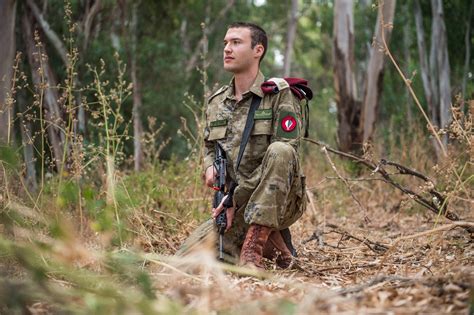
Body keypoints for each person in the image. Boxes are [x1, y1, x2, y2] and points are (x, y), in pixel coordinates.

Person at [177, 22, 310, 269]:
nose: (227, 49)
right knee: (182, 262)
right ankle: (273, 244)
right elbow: (208, 147)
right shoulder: (217, 102)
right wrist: (209, 167)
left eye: (236, 42)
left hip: (278, 199)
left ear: (258, 50)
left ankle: (254, 247)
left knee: (281, 150)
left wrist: (235, 199)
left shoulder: (279, 95)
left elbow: (287, 153)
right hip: (232, 203)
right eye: (226, 43)